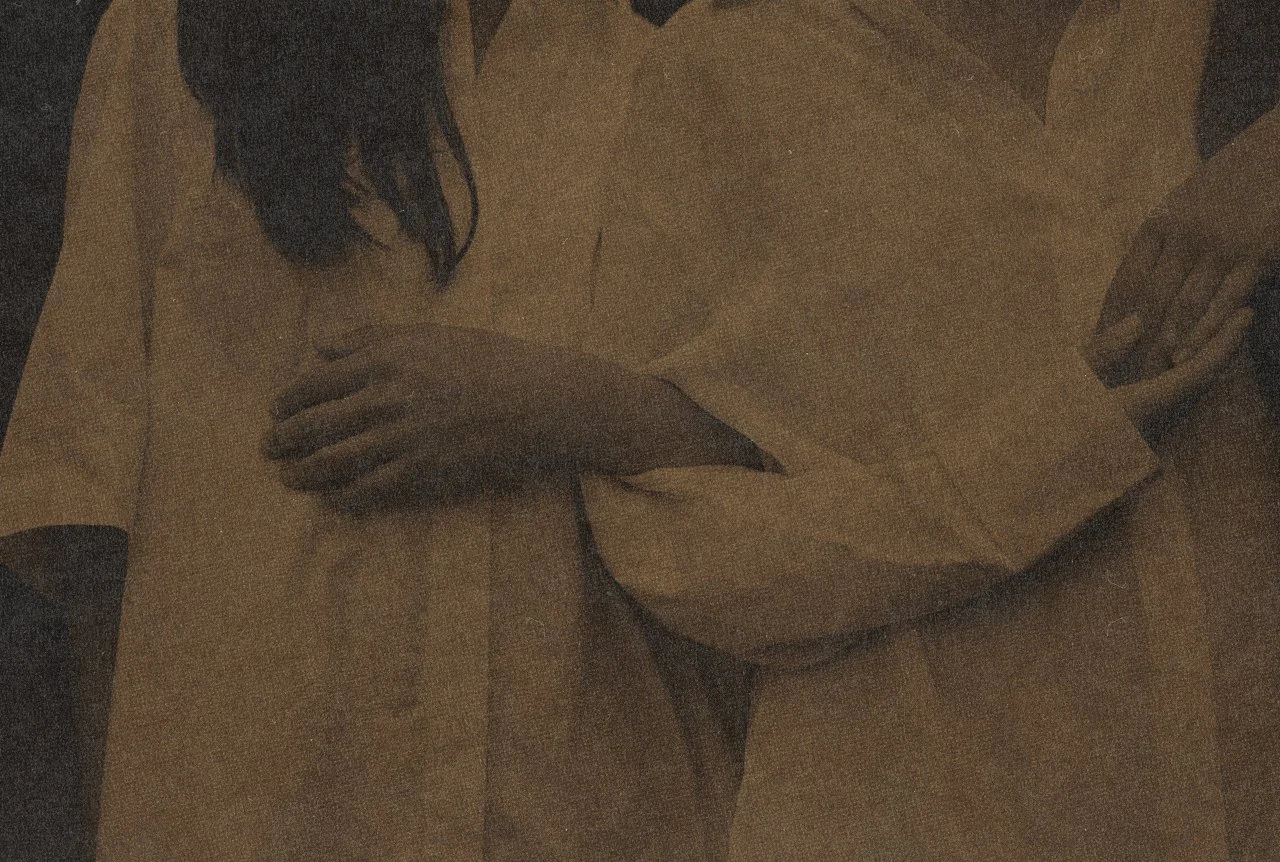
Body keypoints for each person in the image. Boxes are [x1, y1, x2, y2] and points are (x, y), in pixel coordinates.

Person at [0, 0, 755, 858]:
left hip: (589, 803)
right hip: (266, 804)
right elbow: (84, 514)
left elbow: (809, 467)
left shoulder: (686, 56)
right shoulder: (174, 34)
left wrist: (556, 407)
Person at [579, 0, 1278, 857]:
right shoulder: (729, 63)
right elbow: (668, 538)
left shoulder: (1212, 31)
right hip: (925, 816)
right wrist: (1045, 461)